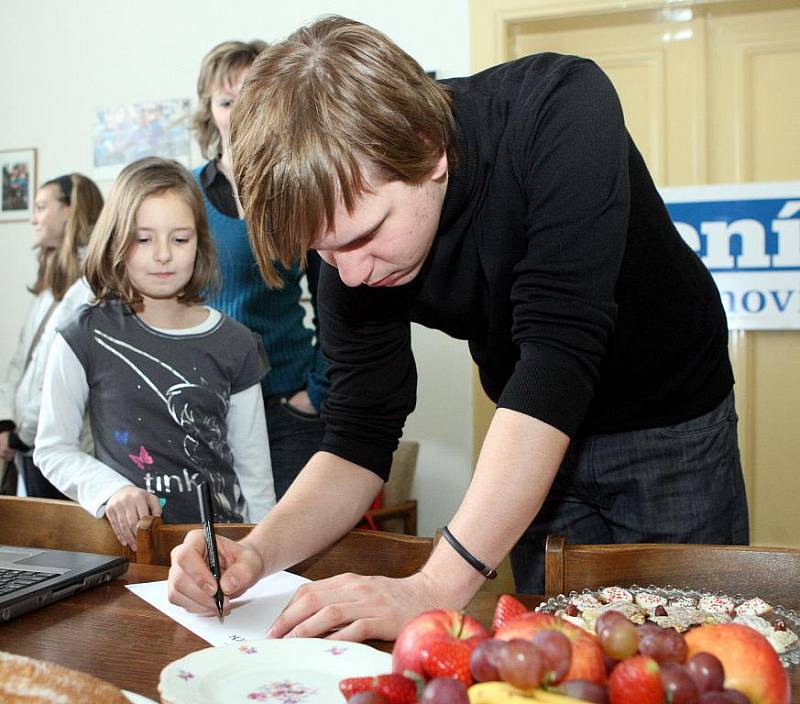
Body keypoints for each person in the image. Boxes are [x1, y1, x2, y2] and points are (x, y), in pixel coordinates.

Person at [167, 17, 749, 641]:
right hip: (527, 442)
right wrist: (257, 552)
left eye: (366, 236)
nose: (352, 274)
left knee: (690, 655)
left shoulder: (558, 107)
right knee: (557, 662)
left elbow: (557, 358)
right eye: (326, 251)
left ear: (430, 148)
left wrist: (434, 586)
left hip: (669, 419)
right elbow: (359, 432)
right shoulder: (344, 230)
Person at [34, 157, 275, 551]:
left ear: (200, 241)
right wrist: (111, 489)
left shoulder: (236, 341)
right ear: (115, 240)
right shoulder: (83, 333)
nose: (163, 255)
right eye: (143, 239)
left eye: (180, 239)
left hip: (222, 555)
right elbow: (52, 448)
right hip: (129, 553)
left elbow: (255, 475)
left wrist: (262, 557)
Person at [192, 40, 328, 500]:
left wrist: (315, 394)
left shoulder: (301, 187)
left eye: (252, 94)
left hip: (286, 409)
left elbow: (337, 298)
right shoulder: (184, 195)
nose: (239, 110)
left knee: (290, 558)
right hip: (206, 412)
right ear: (209, 111)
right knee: (217, 554)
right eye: (226, 100)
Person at [0, 173, 103, 498]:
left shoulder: (90, 283)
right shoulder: (48, 280)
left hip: (59, 445)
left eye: (42, 206)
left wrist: (23, 433)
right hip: (26, 443)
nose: (34, 218)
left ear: (70, 210)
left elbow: (54, 370)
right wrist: (6, 422)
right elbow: (23, 359)